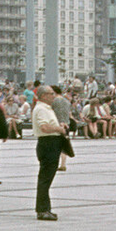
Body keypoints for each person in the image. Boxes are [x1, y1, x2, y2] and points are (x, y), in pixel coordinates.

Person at [31, 85, 66, 221]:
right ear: (44, 95)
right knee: (45, 179)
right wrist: (59, 129)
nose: (54, 96)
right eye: (51, 94)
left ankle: (46, 208)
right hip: (48, 144)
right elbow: (44, 127)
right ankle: (42, 209)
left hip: (52, 143)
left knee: (47, 178)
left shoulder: (46, 108)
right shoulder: (41, 109)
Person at [51, 85, 73, 172]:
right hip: (66, 124)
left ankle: (54, 163)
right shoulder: (66, 101)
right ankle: (63, 164)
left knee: (55, 145)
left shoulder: (54, 100)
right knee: (64, 145)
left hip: (57, 124)